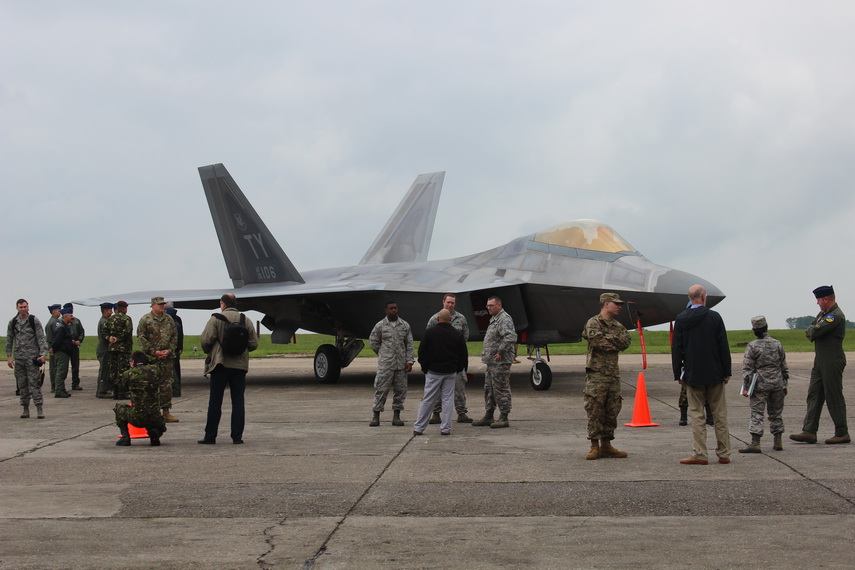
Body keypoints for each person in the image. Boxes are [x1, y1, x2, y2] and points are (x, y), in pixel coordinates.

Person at [671, 284, 732, 465]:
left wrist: (678, 373)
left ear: (689, 298)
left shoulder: (681, 319)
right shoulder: (714, 317)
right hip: (715, 372)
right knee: (719, 415)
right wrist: (726, 371)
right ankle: (724, 453)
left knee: (697, 415)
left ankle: (700, 454)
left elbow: (677, 349)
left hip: (693, 373)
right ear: (704, 297)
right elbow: (723, 346)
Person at [790, 285, 849, 445]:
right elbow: (811, 329)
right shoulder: (823, 315)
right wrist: (812, 329)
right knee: (814, 394)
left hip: (832, 359)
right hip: (821, 360)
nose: (817, 303)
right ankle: (809, 431)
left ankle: (842, 432)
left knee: (833, 395)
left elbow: (814, 331)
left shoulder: (835, 316)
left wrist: (812, 329)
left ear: (826, 299)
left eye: (819, 300)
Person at [198, 294, 258, 444]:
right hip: (240, 366)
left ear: (222, 304)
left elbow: (206, 340)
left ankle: (210, 437)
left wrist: (211, 351)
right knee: (238, 402)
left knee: (215, 402)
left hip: (220, 364)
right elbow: (253, 344)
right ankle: (237, 437)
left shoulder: (215, 319)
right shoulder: (245, 320)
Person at [581, 292, 632, 460]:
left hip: (613, 375)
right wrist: (613, 341)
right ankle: (594, 445)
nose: (619, 307)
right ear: (606, 304)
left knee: (612, 409)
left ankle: (607, 445)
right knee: (595, 409)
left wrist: (608, 338)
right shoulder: (593, 322)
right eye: (616, 303)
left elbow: (625, 343)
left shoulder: (618, 325)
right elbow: (597, 341)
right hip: (597, 374)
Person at [413, 309, 469, 436]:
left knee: (428, 399)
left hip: (433, 371)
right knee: (448, 400)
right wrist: (458, 369)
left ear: (437, 319)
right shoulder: (457, 334)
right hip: (450, 372)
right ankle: (446, 428)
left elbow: (422, 351)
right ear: (450, 320)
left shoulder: (429, 333)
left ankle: (419, 427)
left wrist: (425, 368)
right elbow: (463, 355)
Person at [739, 315, 789, 453]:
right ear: (766, 327)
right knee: (776, 413)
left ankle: (755, 443)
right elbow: (783, 366)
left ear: (754, 330)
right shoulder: (777, 344)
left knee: (757, 413)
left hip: (760, 384)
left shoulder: (752, 346)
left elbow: (748, 369)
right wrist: (784, 384)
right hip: (777, 383)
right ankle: (778, 441)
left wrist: (746, 387)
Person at [426, 293, 472, 424]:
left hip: (455, 360)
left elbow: (465, 337)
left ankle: (462, 413)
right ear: (443, 302)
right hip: (439, 360)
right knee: (437, 389)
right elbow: (428, 337)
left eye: (452, 303)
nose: (450, 305)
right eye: (448, 302)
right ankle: (436, 413)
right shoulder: (435, 319)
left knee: (459, 387)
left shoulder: (461, 319)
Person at [473, 296, 516, 429]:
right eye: (487, 305)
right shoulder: (495, 319)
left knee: (501, 389)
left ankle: (504, 417)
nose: (488, 308)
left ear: (499, 305)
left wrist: (500, 351)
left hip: (500, 362)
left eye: (491, 305)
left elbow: (510, 337)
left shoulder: (504, 319)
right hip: (491, 362)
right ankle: (489, 415)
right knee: (489, 389)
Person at [368, 302, 414, 427]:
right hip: (386, 365)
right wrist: (383, 354)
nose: (393, 310)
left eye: (395, 308)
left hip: (401, 365)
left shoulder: (404, 325)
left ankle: (396, 416)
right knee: (381, 390)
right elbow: (373, 342)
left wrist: (409, 361)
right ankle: (376, 416)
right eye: (391, 308)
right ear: (386, 310)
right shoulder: (380, 325)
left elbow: (409, 344)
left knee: (400, 391)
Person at [137, 296, 179, 422]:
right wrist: (153, 352)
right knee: (151, 385)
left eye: (163, 304)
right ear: (153, 305)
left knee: (166, 385)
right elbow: (141, 338)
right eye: (159, 304)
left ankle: (166, 412)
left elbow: (174, 336)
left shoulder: (169, 319)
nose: (162, 306)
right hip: (151, 359)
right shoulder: (145, 320)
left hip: (166, 358)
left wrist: (169, 350)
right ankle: (152, 413)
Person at [114, 351, 168, 447]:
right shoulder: (155, 370)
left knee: (119, 407)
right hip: (154, 417)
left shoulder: (129, 374)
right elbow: (163, 368)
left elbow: (121, 387)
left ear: (133, 362)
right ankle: (154, 433)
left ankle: (125, 438)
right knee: (158, 424)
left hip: (137, 417)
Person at [6, 299, 49, 419]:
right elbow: (9, 339)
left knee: (34, 384)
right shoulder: (13, 322)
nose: (23, 309)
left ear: (28, 307)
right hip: (19, 359)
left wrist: (43, 354)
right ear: (17, 308)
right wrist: (9, 357)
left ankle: (39, 408)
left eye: (25, 307)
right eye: (21, 307)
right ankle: (25, 408)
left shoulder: (33, 320)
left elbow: (41, 338)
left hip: (32, 358)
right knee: (22, 385)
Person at [106, 300, 134, 399]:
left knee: (113, 370)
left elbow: (104, 331)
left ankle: (115, 391)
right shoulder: (126, 319)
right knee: (123, 370)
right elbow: (127, 332)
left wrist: (110, 338)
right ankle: (123, 391)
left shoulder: (111, 319)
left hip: (112, 348)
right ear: (124, 309)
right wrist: (119, 338)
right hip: (123, 349)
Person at [50, 306, 75, 398]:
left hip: (64, 352)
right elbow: (57, 341)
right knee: (61, 371)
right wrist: (54, 350)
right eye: (70, 316)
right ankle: (59, 391)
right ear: (65, 317)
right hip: (61, 353)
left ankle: (61, 389)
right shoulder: (61, 328)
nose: (72, 317)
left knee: (63, 371)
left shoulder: (65, 326)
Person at [63, 302, 85, 390]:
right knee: (63, 366)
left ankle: (75, 383)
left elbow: (81, 331)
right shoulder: (61, 321)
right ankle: (60, 385)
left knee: (75, 366)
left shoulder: (76, 321)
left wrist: (79, 340)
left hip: (75, 346)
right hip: (65, 346)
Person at [95, 302, 114, 397]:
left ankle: (103, 389)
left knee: (105, 368)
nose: (112, 312)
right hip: (104, 349)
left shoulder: (105, 320)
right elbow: (105, 335)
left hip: (104, 348)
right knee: (104, 370)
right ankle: (102, 391)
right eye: (110, 310)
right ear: (105, 311)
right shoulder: (104, 322)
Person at [165, 303, 184, 397]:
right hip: (176, 349)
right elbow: (181, 334)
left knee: (173, 370)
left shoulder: (171, 322)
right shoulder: (177, 319)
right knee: (176, 368)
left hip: (172, 349)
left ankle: (175, 389)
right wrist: (180, 347)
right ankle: (176, 388)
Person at [45, 304, 61, 393]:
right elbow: (56, 335)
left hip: (52, 346)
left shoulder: (52, 321)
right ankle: (55, 386)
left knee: (54, 367)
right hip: (54, 347)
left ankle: (54, 386)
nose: (60, 312)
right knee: (55, 367)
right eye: (58, 310)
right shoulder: (55, 322)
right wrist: (52, 348)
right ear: (54, 312)